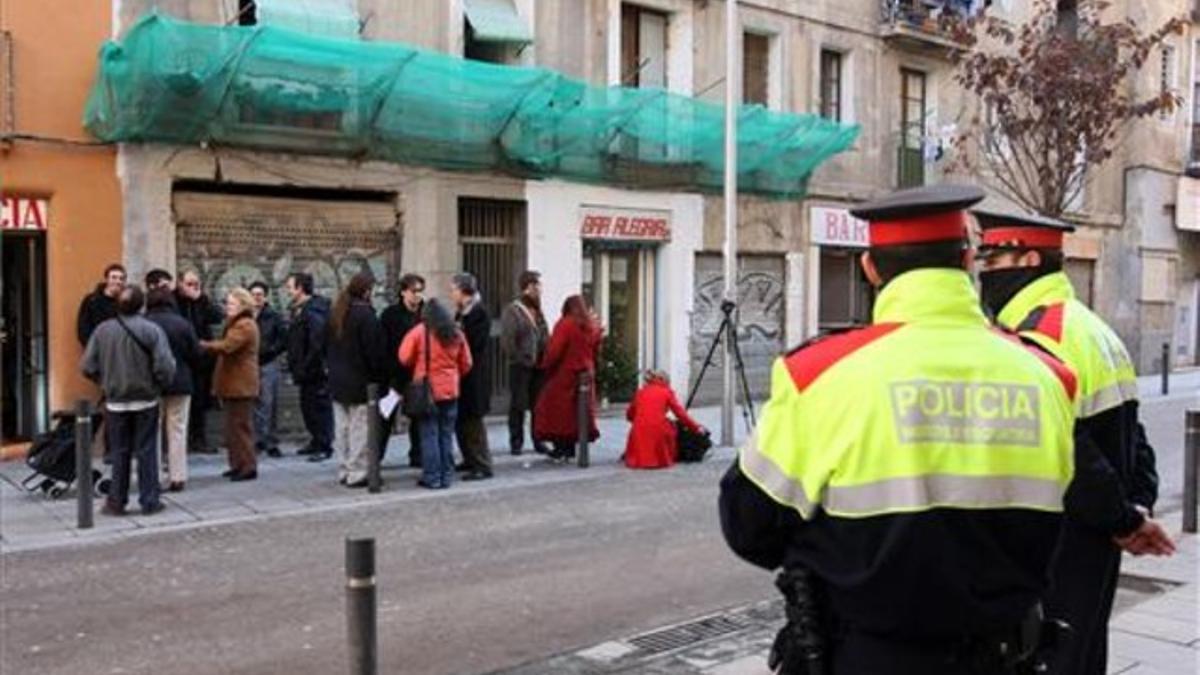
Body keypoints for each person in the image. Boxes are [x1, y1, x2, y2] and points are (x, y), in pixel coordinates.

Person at [718, 185, 1081, 674]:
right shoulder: (1049, 377)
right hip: (1006, 655)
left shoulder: (821, 375)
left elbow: (749, 523)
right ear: (968, 259)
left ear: (870, 268)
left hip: (868, 655)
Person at [974, 209, 1176, 675]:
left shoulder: (1035, 337)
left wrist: (1124, 520)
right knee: (1084, 653)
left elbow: (1067, 448)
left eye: (994, 262)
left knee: (1046, 656)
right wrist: (1136, 509)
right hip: (1097, 539)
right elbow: (1134, 435)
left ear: (1026, 259)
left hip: (1055, 539)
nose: (984, 275)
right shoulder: (1093, 328)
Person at [81, 284, 175, 516]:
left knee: (119, 452)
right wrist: (158, 384)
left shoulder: (103, 331)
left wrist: (105, 382)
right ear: (141, 305)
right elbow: (165, 365)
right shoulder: (151, 330)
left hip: (115, 401)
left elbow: (87, 366)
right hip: (146, 399)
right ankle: (150, 500)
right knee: (147, 451)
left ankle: (116, 501)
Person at [398, 299, 473, 490]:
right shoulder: (456, 333)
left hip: (428, 391)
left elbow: (404, 357)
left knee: (429, 434)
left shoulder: (420, 332)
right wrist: (453, 374)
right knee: (446, 435)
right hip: (451, 389)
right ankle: (446, 475)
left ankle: (432, 477)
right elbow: (467, 363)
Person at [326, 272, 387, 488]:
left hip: (337, 379)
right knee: (359, 429)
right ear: (367, 291)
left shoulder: (336, 312)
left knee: (341, 429)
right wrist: (380, 377)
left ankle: (344, 468)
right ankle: (358, 471)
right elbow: (374, 352)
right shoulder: (366, 315)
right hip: (360, 381)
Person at [533, 295, 603, 462]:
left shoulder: (565, 324)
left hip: (564, 374)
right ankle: (571, 448)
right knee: (577, 413)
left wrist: (544, 365)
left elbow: (555, 351)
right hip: (585, 373)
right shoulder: (590, 326)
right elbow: (596, 351)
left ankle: (561, 448)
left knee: (557, 412)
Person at [201, 288, 260, 482]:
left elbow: (228, 346)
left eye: (232, 304)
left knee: (240, 427)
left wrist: (204, 344)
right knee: (233, 428)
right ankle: (237, 464)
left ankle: (248, 466)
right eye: (228, 303)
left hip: (241, 384)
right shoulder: (237, 323)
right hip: (234, 383)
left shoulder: (245, 325)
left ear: (243, 305)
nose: (228, 307)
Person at [145, 288, 200, 492]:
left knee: (153, 430)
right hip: (181, 381)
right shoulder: (183, 323)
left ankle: (156, 476)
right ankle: (178, 476)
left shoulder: (144, 324)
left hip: (152, 383)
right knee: (178, 429)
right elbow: (195, 353)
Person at [500, 270, 551, 457]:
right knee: (518, 405)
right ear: (528, 287)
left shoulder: (538, 310)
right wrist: (519, 358)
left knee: (537, 406)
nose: (540, 290)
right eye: (537, 286)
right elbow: (507, 340)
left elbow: (544, 333)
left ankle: (539, 440)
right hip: (520, 366)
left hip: (539, 366)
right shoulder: (513, 310)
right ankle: (516, 442)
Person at [285, 272, 334, 462]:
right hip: (306, 371)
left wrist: (306, 365)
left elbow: (317, 342)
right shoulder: (301, 309)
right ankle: (316, 440)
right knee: (308, 407)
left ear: (300, 288)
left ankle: (324, 445)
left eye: (290, 287)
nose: (288, 291)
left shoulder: (313, 311)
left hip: (315, 371)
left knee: (319, 408)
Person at [378, 274, 426, 467]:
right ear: (403, 292)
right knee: (385, 418)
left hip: (417, 375)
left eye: (421, 291)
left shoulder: (425, 314)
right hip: (394, 375)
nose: (417, 296)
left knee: (418, 417)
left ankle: (418, 456)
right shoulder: (390, 315)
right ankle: (376, 457)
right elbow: (384, 345)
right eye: (414, 291)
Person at [450, 273, 493, 481]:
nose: (452, 294)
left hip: (474, 376)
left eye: (454, 290)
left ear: (464, 291)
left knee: (473, 422)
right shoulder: (461, 313)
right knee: (461, 420)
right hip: (462, 375)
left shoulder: (479, 313)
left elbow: (474, 344)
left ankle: (482, 464)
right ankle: (469, 458)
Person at [175, 270, 224, 455]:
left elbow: (217, 317)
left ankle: (199, 439)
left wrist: (201, 298)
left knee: (201, 403)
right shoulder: (173, 301)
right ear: (180, 283)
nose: (193, 287)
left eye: (196, 284)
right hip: (182, 360)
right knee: (182, 403)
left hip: (202, 361)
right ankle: (183, 441)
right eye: (189, 283)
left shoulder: (202, 300)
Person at [623, 370, 704, 469]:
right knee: (670, 427)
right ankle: (664, 456)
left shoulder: (641, 392)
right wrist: (696, 427)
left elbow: (630, 414)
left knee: (640, 430)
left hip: (639, 430)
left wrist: (641, 421)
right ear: (665, 380)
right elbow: (680, 413)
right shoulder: (666, 392)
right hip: (658, 430)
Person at [249, 281, 287, 459]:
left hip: (268, 364)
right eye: (254, 294)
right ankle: (256, 441)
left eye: (260, 294)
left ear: (265, 297)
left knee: (269, 404)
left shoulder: (274, 316)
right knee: (253, 404)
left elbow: (283, 339)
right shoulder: (245, 316)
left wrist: (271, 351)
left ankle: (271, 442)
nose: (257, 297)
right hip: (248, 365)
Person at [77, 263, 126, 347]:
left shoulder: (126, 302)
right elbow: (83, 328)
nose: (118, 281)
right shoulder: (91, 300)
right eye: (114, 277)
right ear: (106, 279)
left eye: (121, 279)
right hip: (98, 350)